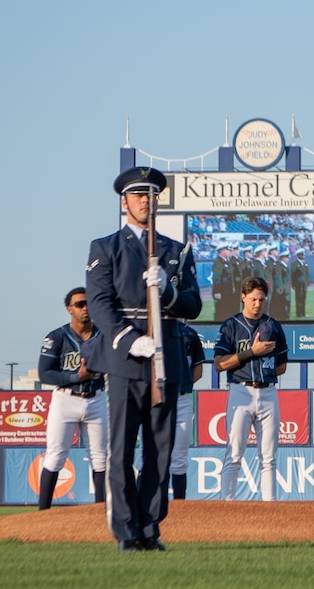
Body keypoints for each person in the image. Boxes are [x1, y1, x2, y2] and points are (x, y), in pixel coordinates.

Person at [85, 166, 201, 552]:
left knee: (160, 449)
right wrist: (128, 339)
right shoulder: (106, 248)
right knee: (121, 449)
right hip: (124, 359)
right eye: (138, 195)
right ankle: (126, 531)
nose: (145, 201)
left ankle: (150, 527)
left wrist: (168, 292)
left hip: (166, 356)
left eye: (151, 195)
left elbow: (194, 305)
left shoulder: (175, 249)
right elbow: (100, 303)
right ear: (125, 201)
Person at [214, 277, 288, 501]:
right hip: (240, 391)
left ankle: (270, 508)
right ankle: (227, 505)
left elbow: (282, 366)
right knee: (234, 454)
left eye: (262, 299)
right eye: (253, 299)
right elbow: (219, 364)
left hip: (267, 392)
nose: (257, 303)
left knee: (268, 457)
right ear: (243, 297)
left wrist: (264, 367)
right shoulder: (230, 325)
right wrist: (251, 353)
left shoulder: (273, 325)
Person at [37, 287, 107, 509]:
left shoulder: (103, 334)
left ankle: (102, 513)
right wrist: (76, 376)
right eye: (79, 304)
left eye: (88, 303)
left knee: (100, 457)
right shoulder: (56, 336)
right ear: (69, 309)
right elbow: (45, 373)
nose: (85, 308)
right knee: (55, 456)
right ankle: (42, 514)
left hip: (96, 397)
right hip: (66, 398)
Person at [169, 324, 206, 500]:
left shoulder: (189, 333)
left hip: (181, 398)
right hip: (155, 400)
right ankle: (144, 506)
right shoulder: (150, 329)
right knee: (147, 458)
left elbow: (198, 371)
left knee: (179, 459)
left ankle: (179, 507)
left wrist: (182, 381)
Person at [211, 243, 238, 321]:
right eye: (227, 250)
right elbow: (216, 278)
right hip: (222, 292)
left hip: (228, 292)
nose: (230, 252)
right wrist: (217, 291)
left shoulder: (227, 262)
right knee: (221, 312)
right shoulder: (218, 262)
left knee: (227, 312)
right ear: (222, 251)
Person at [291, 248, 311, 318]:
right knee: (298, 298)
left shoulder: (305, 263)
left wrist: (308, 281)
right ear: (298, 255)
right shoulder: (294, 264)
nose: (303, 256)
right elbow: (293, 275)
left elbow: (307, 273)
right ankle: (298, 313)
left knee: (303, 298)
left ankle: (303, 313)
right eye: (302, 255)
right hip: (298, 284)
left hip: (304, 283)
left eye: (303, 255)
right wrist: (293, 284)